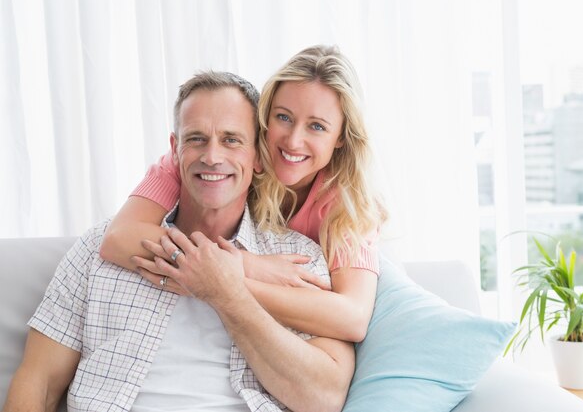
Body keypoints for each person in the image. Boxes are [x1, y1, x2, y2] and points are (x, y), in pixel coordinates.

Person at [3, 71, 354, 412]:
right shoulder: (101, 248)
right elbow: (39, 382)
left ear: (259, 156)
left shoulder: (297, 260)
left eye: (231, 140)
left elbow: (323, 399)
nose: (212, 156)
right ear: (175, 149)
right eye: (197, 138)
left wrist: (227, 292)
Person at [100, 45, 387, 343]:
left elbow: (352, 318)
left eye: (316, 126)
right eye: (284, 117)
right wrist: (247, 265)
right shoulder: (217, 160)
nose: (293, 140)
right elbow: (119, 237)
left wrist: (222, 283)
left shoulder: (349, 204)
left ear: (341, 136)